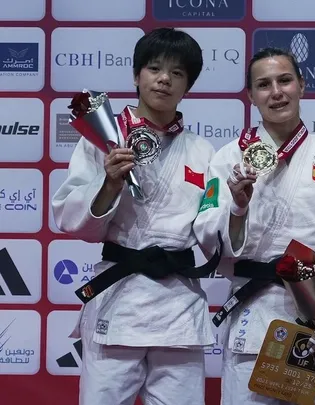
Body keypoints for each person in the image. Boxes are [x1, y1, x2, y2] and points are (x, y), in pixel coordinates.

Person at [51, 28, 221, 405]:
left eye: (177, 73)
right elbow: (69, 218)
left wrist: (236, 209)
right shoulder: (103, 139)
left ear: (188, 86)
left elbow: (211, 229)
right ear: (136, 75)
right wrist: (110, 183)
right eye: (154, 68)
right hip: (119, 299)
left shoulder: (202, 151)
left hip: (178, 306)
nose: (164, 79)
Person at [191, 47, 315, 405]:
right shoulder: (228, 158)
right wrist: (238, 207)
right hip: (255, 313)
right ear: (251, 95)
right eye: (264, 84)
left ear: (302, 85)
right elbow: (207, 235)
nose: (276, 92)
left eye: (285, 80)